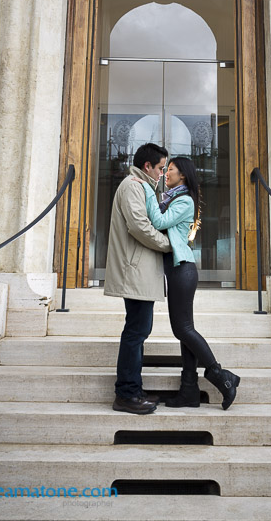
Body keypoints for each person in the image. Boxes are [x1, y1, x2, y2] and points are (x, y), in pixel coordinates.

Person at [134, 156, 240, 410]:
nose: (166, 174)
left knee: (183, 330)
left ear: (183, 175)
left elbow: (158, 222)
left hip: (182, 270)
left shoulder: (183, 200)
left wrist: (148, 190)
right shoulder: (172, 199)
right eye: (166, 169)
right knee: (185, 331)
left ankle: (221, 377)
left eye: (170, 170)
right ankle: (189, 391)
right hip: (178, 271)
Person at [104, 142, 171, 415]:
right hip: (135, 271)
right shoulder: (133, 186)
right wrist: (169, 244)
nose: (163, 174)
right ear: (147, 166)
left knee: (138, 332)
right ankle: (126, 394)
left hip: (139, 271)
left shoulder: (143, 186)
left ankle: (134, 389)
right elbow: (139, 226)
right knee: (135, 333)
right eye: (161, 169)